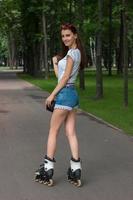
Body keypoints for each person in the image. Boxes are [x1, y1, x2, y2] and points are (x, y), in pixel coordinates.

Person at [35, 23, 86, 187]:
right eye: (63, 36)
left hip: (64, 95)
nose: (65, 38)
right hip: (72, 95)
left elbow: (63, 80)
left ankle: (47, 170)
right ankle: (75, 170)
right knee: (70, 132)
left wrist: (52, 94)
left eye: (68, 35)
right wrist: (56, 63)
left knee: (53, 131)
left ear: (75, 35)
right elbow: (61, 77)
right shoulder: (76, 53)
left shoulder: (72, 53)